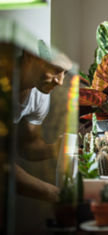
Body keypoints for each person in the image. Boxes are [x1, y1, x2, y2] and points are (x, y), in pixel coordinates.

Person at [14, 49, 71, 202]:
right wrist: (56, 195)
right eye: (56, 70)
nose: (60, 81)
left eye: (64, 73)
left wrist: (56, 149)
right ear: (29, 56)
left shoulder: (40, 95)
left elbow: (27, 144)